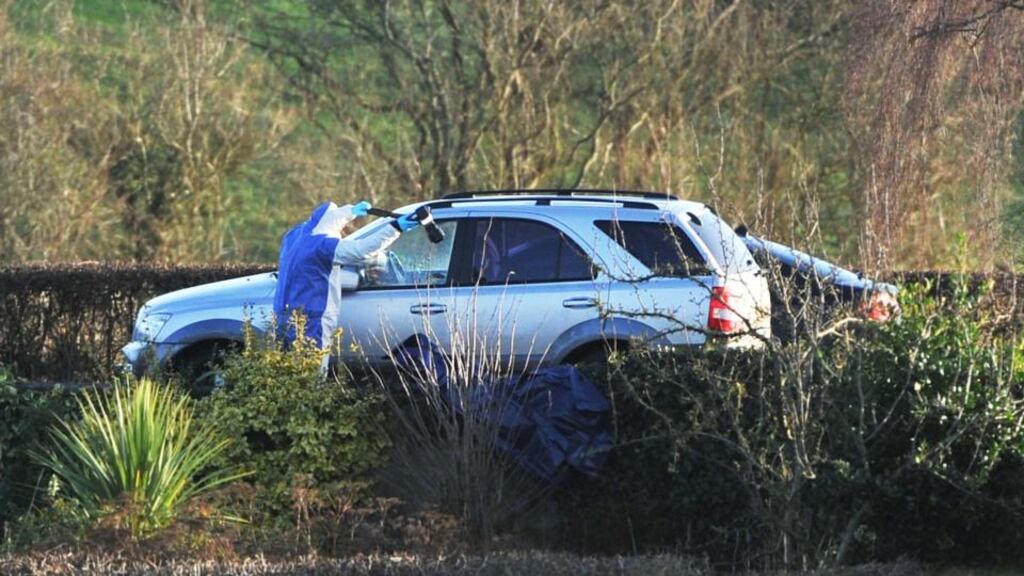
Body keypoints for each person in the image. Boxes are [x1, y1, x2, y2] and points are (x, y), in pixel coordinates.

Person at [273, 200, 420, 363]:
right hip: (313, 316)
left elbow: (329, 218)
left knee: (286, 370)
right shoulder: (323, 246)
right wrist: (395, 228)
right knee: (313, 372)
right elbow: (362, 250)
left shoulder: (294, 236)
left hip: (283, 315)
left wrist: (352, 211)